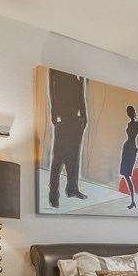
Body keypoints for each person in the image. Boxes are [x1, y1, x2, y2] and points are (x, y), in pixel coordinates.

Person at [47, 69, 88, 208]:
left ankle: (72, 188)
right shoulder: (56, 73)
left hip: (75, 120)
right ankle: (53, 194)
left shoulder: (76, 79)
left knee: (74, 157)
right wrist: (55, 116)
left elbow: (80, 95)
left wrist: (84, 117)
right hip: (63, 119)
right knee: (58, 159)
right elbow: (52, 92)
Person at [119, 105, 138, 209]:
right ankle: (132, 201)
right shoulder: (129, 124)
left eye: (130, 112)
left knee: (127, 175)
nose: (129, 114)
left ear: (133, 112)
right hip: (126, 148)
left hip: (131, 150)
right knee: (125, 175)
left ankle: (132, 201)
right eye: (128, 112)